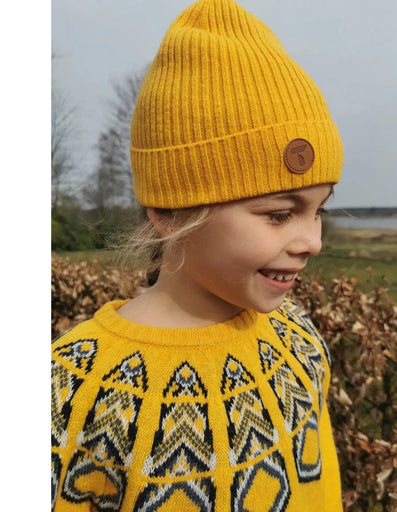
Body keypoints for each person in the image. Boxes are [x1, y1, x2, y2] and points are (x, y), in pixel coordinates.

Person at [51, 0, 344, 510]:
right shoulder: (72, 393)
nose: (313, 242)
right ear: (170, 212)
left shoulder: (298, 341)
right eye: (279, 214)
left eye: (319, 210)